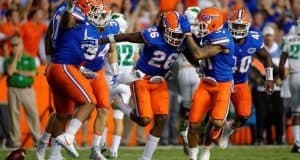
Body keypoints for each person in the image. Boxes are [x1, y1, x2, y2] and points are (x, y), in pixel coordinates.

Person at [98, 11, 189, 160]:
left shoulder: (185, 40)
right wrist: (104, 40)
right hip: (142, 78)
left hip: (160, 81)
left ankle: (146, 158)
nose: (176, 38)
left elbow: (195, 56)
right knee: (144, 120)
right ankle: (120, 105)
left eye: (179, 34)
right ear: (164, 28)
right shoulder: (152, 35)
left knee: (161, 119)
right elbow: (127, 36)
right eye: (173, 33)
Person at [35, 0, 102, 159]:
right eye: (94, 9)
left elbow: (51, 33)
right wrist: (71, 10)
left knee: (63, 114)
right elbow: (67, 21)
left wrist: (51, 57)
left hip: (61, 61)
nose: (96, 13)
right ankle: (69, 136)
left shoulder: (65, 14)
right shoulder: (70, 16)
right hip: (63, 65)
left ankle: (54, 155)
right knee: (90, 102)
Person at [182, 7, 235, 160]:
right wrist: (183, 46)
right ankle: (192, 157)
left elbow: (199, 54)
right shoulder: (208, 35)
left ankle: (222, 129)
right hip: (205, 83)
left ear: (213, 24)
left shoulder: (223, 38)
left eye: (203, 23)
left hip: (223, 84)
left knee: (217, 121)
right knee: (193, 124)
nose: (200, 26)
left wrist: (187, 35)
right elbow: (194, 57)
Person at [218, 7, 274, 149]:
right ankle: (203, 142)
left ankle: (229, 128)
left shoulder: (254, 39)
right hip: (221, 81)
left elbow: (266, 57)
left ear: (247, 26)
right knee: (214, 115)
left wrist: (269, 79)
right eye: (235, 25)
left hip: (240, 83)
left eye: (240, 26)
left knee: (244, 115)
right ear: (229, 24)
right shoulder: (222, 34)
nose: (237, 28)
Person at [103, 12, 140, 159]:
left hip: (109, 78)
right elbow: (136, 63)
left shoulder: (110, 40)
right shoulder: (132, 42)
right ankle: (114, 151)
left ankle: (101, 145)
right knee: (118, 117)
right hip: (125, 82)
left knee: (103, 113)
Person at [4, 36, 40, 147]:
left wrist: (18, 71)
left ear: (22, 45)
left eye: (17, 45)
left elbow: (33, 73)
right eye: (13, 46)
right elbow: (10, 72)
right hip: (13, 89)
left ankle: (38, 140)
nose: (15, 48)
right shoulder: (8, 60)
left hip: (27, 90)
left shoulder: (29, 59)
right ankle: (15, 142)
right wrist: (15, 58)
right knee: (13, 115)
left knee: (32, 114)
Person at [178, 6, 201, 154]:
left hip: (182, 70)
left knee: (186, 106)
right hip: (197, 70)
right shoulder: (200, 30)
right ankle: (191, 133)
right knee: (198, 107)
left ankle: (183, 130)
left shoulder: (179, 29)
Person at [279, 19, 300, 153]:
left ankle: (298, 144)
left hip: (294, 76)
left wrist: (282, 79)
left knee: (296, 112)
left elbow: (282, 63)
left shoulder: (289, 39)